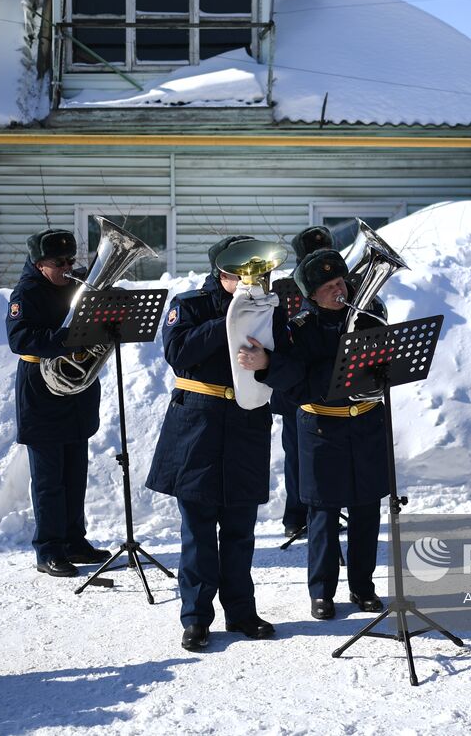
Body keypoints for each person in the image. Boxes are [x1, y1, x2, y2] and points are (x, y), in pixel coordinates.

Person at [145, 235, 286, 651]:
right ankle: (196, 617)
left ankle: (242, 612)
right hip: (198, 424)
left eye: (258, 273)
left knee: (241, 530)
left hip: (246, 423)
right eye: (240, 274)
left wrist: (269, 361)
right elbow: (179, 352)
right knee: (199, 530)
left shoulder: (269, 309)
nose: (251, 280)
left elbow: (288, 361)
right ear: (220, 273)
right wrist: (231, 319)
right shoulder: (188, 305)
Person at [246, 247, 387, 620]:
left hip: (366, 421)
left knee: (366, 507)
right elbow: (296, 385)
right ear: (311, 294)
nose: (339, 290)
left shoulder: (368, 314)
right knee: (322, 512)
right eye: (329, 287)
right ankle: (322, 592)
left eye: (341, 282)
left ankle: (363, 586)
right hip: (323, 425)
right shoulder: (300, 329)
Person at [6, 229, 109, 578]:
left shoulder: (76, 285)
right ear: (39, 263)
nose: (68, 267)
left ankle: (74, 540)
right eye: (59, 263)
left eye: (71, 260)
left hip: (76, 392)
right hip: (41, 392)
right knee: (49, 479)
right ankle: (48, 549)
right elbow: (20, 339)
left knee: (75, 473)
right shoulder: (26, 292)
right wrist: (68, 339)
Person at [273, 225, 334, 538]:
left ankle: (328, 510)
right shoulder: (285, 288)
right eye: (312, 254)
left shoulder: (341, 285)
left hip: (330, 385)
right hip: (296, 386)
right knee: (297, 453)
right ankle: (294, 516)